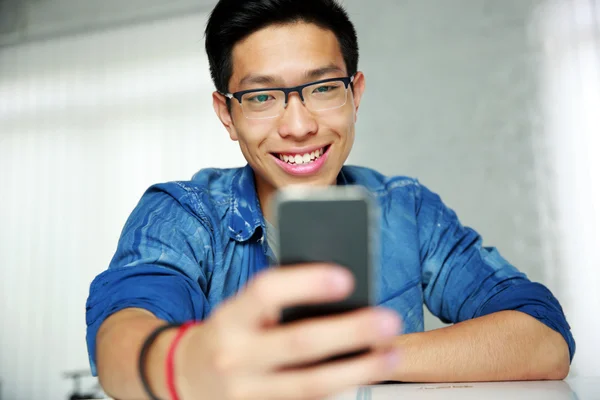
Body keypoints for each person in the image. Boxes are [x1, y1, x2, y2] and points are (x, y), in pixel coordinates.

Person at [86, 1, 575, 399]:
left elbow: (542, 340)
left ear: (355, 94)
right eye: (261, 97)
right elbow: (121, 339)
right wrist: (187, 365)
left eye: (322, 89)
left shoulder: (407, 208)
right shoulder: (184, 214)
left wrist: (353, 356)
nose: (299, 127)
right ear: (226, 114)